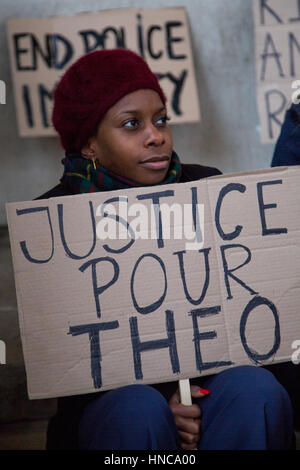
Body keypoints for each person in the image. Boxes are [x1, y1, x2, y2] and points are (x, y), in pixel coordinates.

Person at [37, 49, 294, 450]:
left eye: (160, 119)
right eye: (131, 124)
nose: (155, 135)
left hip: (212, 392)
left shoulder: (209, 190)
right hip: (114, 412)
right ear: (89, 144)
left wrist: (199, 400)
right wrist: (164, 407)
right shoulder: (53, 226)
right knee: (137, 411)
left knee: (254, 390)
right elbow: (71, 363)